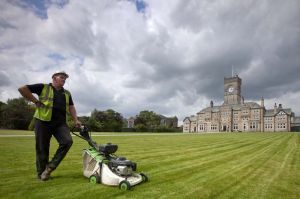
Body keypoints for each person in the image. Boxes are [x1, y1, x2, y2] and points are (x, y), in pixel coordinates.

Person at [18, 71, 81, 181]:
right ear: (54, 78)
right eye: (61, 77)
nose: (64, 79)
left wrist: (76, 119)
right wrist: (35, 101)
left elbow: (71, 107)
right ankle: (41, 174)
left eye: (65, 78)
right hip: (43, 121)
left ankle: (50, 167)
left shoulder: (66, 93)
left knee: (67, 142)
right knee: (42, 148)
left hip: (60, 123)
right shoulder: (43, 87)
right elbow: (22, 89)